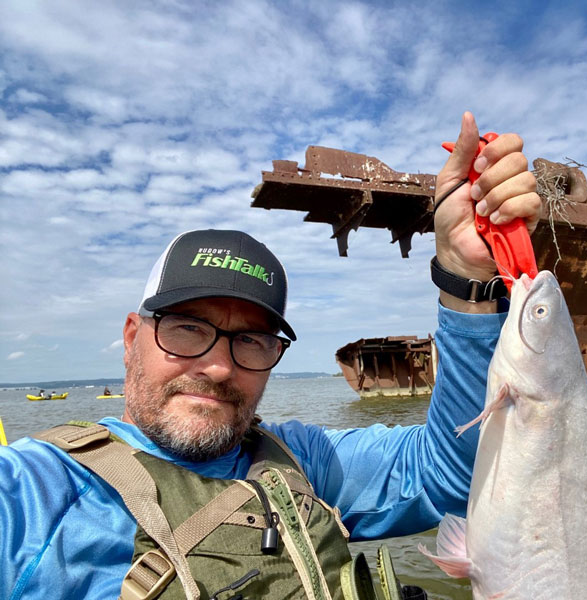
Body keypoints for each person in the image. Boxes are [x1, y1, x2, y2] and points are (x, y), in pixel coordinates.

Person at [0, 112, 540, 599]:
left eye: (252, 340)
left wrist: (464, 277)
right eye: (188, 329)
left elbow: (452, 472)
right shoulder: (32, 493)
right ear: (129, 337)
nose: (217, 367)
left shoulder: (302, 462)